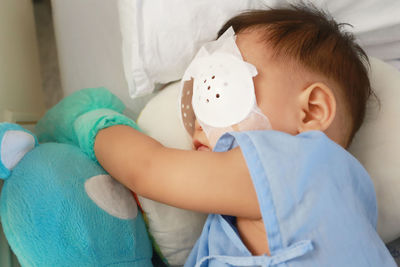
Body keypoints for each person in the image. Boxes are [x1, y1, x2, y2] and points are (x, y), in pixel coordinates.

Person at [36, 4, 396, 267]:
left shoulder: (298, 166)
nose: (195, 126)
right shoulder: (237, 222)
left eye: (216, 90)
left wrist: (91, 122)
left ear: (311, 111)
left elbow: (149, 169)